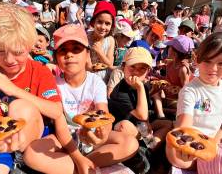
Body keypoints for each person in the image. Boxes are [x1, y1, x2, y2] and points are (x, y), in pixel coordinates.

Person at [24, 24, 138, 174]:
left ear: (87, 55)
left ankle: (80, 165)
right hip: (64, 137)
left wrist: (102, 135)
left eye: (76, 49)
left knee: (130, 143)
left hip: (90, 135)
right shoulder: (52, 82)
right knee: (31, 154)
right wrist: (77, 157)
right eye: (63, 50)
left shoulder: (95, 82)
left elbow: (103, 116)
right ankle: (82, 165)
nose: (69, 54)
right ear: (56, 58)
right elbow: (60, 125)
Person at [0, 3, 63, 174]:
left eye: (18, 52)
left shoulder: (40, 71)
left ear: (29, 45)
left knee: (19, 106)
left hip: (38, 137)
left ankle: (22, 160)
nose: (9, 59)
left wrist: (12, 89)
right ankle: (16, 162)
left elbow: (56, 111)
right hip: (3, 141)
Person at [166, 32, 222, 169]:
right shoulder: (190, 90)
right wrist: (188, 146)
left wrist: (215, 143)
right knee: (180, 159)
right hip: (188, 141)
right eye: (207, 61)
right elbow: (184, 126)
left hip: (212, 140)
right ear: (197, 59)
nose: (213, 69)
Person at [109, 47, 173, 151]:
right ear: (123, 67)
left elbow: (144, 108)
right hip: (124, 127)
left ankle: (151, 145)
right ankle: (145, 145)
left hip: (139, 124)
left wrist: (152, 91)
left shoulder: (144, 85)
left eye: (142, 68)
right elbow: (142, 115)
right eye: (132, 67)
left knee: (168, 124)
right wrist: (140, 87)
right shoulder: (120, 92)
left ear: (148, 70)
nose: (136, 72)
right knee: (124, 126)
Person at [152, 36, 194, 119]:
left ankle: (162, 114)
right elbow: (167, 80)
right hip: (168, 97)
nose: (168, 49)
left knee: (156, 99)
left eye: (169, 47)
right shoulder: (171, 64)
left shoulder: (183, 69)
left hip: (177, 101)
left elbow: (186, 91)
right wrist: (154, 74)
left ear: (175, 53)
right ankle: (162, 111)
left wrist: (173, 89)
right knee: (155, 92)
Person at [87, 1, 116, 81]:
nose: (103, 27)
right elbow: (86, 63)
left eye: (107, 24)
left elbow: (109, 64)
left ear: (111, 25)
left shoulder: (110, 40)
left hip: (104, 78)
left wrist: (99, 51)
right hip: (88, 77)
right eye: (99, 22)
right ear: (94, 22)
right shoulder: (87, 37)